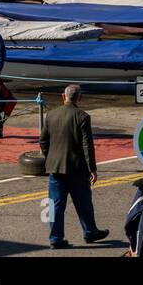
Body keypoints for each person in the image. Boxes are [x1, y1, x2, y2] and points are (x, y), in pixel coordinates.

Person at [40, 84, 109, 249]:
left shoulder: (51, 115)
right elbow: (87, 146)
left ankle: (55, 238)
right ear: (80, 98)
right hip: (76, 169)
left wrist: (51, 157)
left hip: (55, 168)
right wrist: (92, 168)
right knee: (84, 203)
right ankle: (90, 231)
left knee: (55, 204)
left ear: (63, 97)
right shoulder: (82, 116)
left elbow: (43, 141)